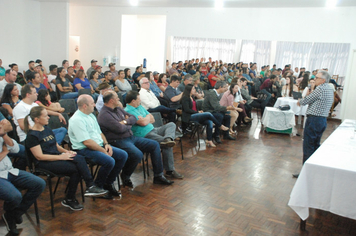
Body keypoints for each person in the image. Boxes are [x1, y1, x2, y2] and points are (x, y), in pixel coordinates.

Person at [25, 106, 107, 211]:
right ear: (36, 119)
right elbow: (39, 156)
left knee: (79, 158)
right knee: (76, 169)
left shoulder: (46, 129)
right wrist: (61, 157)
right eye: (45, 116)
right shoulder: (32, 136)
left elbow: (55, 146)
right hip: (44, 162)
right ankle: (72, 196)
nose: (49, 118)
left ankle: (88, 186)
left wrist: (66, 151)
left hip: (56, 157)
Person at [98, 91, 175, 185]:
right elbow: (119, 128)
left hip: (130, 137)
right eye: (117, 97)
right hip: (118, 140)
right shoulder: (104, 115)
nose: (119, 99)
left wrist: (125, 122)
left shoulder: (117, 109)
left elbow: (132, 118)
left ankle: (158, 176)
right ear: (111, 100)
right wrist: (128, 124)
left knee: (154, 145)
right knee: (137, 154)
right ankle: (125, 175)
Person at [68, 95, 128, 198]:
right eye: (92, 103)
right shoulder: (76, 120)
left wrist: (106, 144)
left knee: (123, 155)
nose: (95, 105)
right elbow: (87, 142)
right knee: (109, 161)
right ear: (84, 106)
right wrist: (103, 151)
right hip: (83, 150)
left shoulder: (90, 115)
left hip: (99, 145)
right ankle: (98, 187)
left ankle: (108, 183)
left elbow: (100, 133)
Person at [0, 118, 45, 235]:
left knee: (39, 183)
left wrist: (4, 135)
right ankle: (12, 217)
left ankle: (14, 214)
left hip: (10, 171)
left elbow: (14, 149)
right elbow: (8, 151)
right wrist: (4, 152)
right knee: (15, 196)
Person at [124, 91, 183, 180]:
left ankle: (168, 138)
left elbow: (152, 118)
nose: (140, 100)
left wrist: (145, 118)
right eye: (139, 99)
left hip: (154, 129)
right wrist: (146, 119)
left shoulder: (139, 106)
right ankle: (170, 170)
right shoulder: (127, 111)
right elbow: (143, 122)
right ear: (133, 100)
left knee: (171, 124)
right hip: (144, 134)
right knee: (167, 145)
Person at [293, 71, 334, 178]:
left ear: (323, 80)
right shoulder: (330, 88)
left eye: (316, 77)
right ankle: (313, 171)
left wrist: (300, 101)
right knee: (316, 145)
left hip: (314, 120)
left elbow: (306, 100)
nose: (314, 79)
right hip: (322, 120)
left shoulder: (320, 89)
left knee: (308, 146)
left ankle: (305, 173)